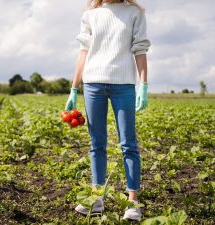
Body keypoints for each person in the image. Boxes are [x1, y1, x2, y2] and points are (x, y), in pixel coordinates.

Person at [65, 0, 151, 221]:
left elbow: (140, 49)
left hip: (124, 86)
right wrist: (74, 88)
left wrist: (143, 84)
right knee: (97, 144)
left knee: (128, 144)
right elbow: (83, 52)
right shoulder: (91, 15)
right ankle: (96, 199)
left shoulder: (134, 13)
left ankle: (133, 203)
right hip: (93, 84)